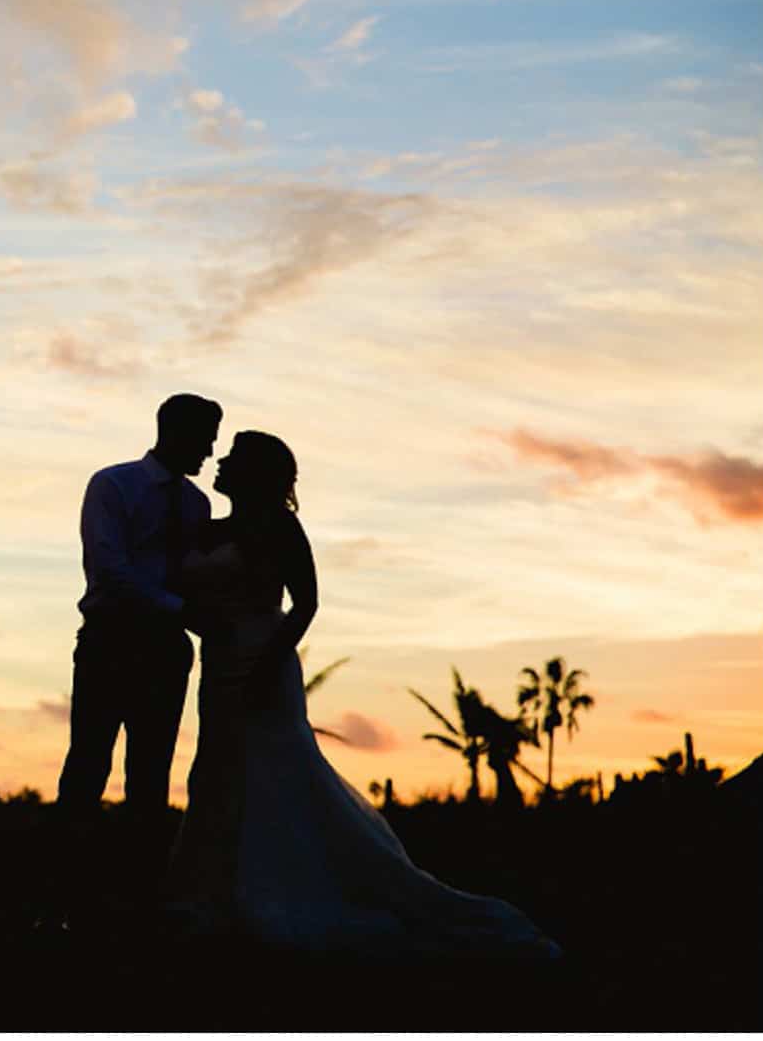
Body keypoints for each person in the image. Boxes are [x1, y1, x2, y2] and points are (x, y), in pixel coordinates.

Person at [164, 431, 560, 958]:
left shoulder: (281, 527)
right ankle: (213, 895)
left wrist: (265, 664)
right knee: (216, 776)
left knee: (275, 775)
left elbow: (306, 602)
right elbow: (183, 596)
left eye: (234, 456)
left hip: (265, 661)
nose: (222, 461)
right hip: (216, 667)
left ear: (256, 472)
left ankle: (277, 892)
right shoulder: (206, 529)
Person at [57, 393, 226, 907]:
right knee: (87, 768)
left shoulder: (197, 505)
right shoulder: (112, 485)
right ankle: (64, 895)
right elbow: (108, 565)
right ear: (174, 432)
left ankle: (138, 898)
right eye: (204, 438)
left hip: (166, 651)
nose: (210, 450)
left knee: (152, 779)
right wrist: (177, 609)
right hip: (111, 639)